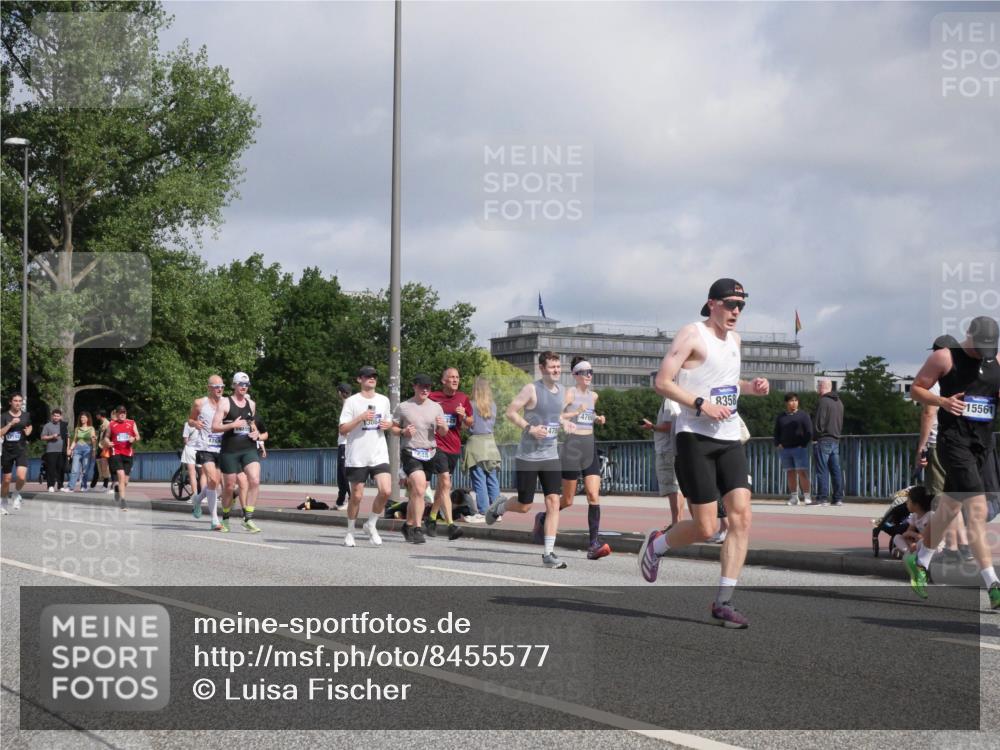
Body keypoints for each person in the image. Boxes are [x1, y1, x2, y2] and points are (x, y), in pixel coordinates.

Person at [638, 278, 770, 628]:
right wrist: (701, 404)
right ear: (712, 303)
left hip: (727, 436)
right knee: (706, 527)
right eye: (730, 304)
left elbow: (726, 382)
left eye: (741, 305)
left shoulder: (736, 341)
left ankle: (723, 602)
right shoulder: (691, 334)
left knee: (741, 517)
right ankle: (658, 545)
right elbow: (663, 382)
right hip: (694, 437)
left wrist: (750, 388)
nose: (736, 311)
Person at [906, 316, 1000, 609]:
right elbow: (917, 389)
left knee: (949, 507)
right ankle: (993, 584)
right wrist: (944, 402)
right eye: (979, 346)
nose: (983, 351)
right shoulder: (944, 357)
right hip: (953, 441)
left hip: (982, 443)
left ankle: (919, 560)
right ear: (968, 335)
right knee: (976, 507)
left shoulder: (996, 357)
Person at [486, 351, 570, 570]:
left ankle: (548, 553)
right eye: (552, 367)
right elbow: (510, 412)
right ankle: (500, 506)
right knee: (525, 506)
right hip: (528, 456)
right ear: (541, 368)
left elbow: (556, 415)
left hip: (551, 455)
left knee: (553, 501)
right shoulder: (532, 389)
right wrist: (529, 428)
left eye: (558, 366)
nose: (556, 370)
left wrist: (565, 423)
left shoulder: (563, 392)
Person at [917, 335, 972, 562]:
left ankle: (951, 546)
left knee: (942, 497)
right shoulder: (966, 375)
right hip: (964, 442)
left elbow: (929, 413)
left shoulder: (938, 378)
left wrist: (921, 446)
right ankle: (964, 544)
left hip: (940, 442)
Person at [558, 357, 610, 560]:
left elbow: (589, 414)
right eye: (584, 372)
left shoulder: (594, 396)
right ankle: (545, 517)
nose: (589, 375)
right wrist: (574, 413)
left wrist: (597, 418)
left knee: (593, 495)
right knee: (568, 500)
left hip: (589, 446)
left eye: (591, 372)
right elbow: (557, 416)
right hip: (572, 447)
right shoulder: (569, 393)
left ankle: (593, 545)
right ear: (575, 375)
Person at [338, 366, 392, 547]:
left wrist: (387, 425)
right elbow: (343, 429)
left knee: (386, 491)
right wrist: (360, 417)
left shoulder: (383, 400)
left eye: (374, 376)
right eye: (368, 376)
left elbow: (388, 421)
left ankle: (371, 524)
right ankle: (350, 532)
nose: (372, 378)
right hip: (357, 455)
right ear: (359, 379)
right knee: (357, 496)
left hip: (379, 453)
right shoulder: (352, 402)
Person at [391, 374, 449, 544]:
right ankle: (417, 528)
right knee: (419, 485)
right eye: (422, 386)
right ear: (414, 387)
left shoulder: (436, 407)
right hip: (411, 451)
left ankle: (408, 524)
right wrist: (403, 432)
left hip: (430, 452)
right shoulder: (403, 407)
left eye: (428, 387)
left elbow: (443, 432)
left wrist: (443, 426)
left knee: (418, 493)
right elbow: (393, 428)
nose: (425, 390)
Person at [212, 372, 263, 533]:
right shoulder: (225, 403)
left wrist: (257, 435)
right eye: (241, 384)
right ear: (234, 385)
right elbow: (215, 427)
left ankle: (248, 518)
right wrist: (232, 425)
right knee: (228, 486)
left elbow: (252, 424)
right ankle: (225, 519)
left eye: (246, 385)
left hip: (248, 448)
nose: (243, 387)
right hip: (230, 450)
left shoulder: (251, 404)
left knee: (254, 480)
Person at [427, 367, 471, 541]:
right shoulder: (432, 398)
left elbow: (469, 424)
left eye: (457, 377)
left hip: (454, 447)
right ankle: (450, 524)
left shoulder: (462, 398)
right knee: (445, 481)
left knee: (443, 487)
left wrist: (464, 416)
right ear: (443, 380)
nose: (455, 380)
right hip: (437, 446)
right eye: (451, 377)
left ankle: (431, 518)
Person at [188, 375, 226, 529]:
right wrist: (195, 423)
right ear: (209, 388)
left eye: (222, 386)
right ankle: (214, 520)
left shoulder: (226, 403)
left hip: (221, 448)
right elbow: (190, 420)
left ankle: (197, 499)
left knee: (214, 482)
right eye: (216, 386)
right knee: (214, 480)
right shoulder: (200, 403)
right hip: (204, 447)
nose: (220, 389)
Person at [462, 376, 501, 523]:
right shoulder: (493, 406)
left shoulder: (471, 405)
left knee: (479, 480)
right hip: (490, 443)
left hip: (476, 444)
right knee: (492, 479)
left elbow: (467, 425)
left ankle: (484, 511)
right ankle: (497, 512)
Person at [642, 397, 685, 529]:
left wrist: (652, 426)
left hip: (666, 449)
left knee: (671, 488)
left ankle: (676, 523)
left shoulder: (669, 401)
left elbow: (668, 426)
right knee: (678, 488)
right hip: (677, 448)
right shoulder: (681, 400)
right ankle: (679, 521)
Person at [774, 392, 813, 506]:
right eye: (791, 401)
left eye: (796, 400)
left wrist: (803, 444)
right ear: (786, 403)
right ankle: (794, 497)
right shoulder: (781, 417)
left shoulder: (803, 415)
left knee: (802, 472)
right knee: (790, 473)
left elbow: (809, 431)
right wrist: (778, 443)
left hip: (799, 448)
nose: (794, 403)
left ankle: (807, 496)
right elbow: (776, 432)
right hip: (785, 449)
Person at [813, 378, 844, 506]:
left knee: (822, 469)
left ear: (822, 387)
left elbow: (819, 422)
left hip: (824, 439)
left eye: (818, 386)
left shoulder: (823, 401)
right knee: (835, 470)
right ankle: (838, 498)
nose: (817, 389)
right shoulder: (839, 402)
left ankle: (822, 497)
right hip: (835, 439)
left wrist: (815, 437)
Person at [1, 393, 33, 512]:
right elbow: (0, 433)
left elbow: (29, 426)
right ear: (10, 402)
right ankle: (3, 501)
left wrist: (29, 431)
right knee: (7, 480)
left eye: (20, 401)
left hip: (21, 449)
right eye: (15, 401)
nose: (18, 403)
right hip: (7, 451)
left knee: (21, 476)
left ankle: (16, 494)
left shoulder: (26, 415)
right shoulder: (3, 416)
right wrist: (10, 424)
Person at [108, 405, 140, 511]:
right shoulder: (112, 424)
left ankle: (117, 489)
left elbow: (138, 436)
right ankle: (123, 501)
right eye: (120, 412)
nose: (122, 414)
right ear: (116, 414)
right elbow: (106, 437)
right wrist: (108, 442)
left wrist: (133, 438)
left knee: (125, 481)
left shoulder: (131, 423)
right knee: (121, 476)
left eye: (124, 412)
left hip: (128, 454)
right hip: (115, 452)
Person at [892, 485, 933, 558]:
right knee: (897, 537)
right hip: (920, 542)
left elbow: (925, 538)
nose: (906, 503)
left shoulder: (929, 516)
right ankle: (910, 552)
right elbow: (906, 535)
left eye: (908, 501)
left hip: (931, 544)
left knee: (921, 542)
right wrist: (911, 543)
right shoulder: (915, 516)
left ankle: (909, 553)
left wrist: (911, 534)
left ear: (916, 504)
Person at [67, 411, 96, 492]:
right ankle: (70, 487)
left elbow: (93, 440)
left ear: (87, 419)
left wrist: (93, 450)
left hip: (87, 450)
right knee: (74, 469)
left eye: (84, 417)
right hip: (77, 450)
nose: (82, 419)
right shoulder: (77, 428)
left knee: (85, 470)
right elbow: (75, 440)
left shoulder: (91, 428)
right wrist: (70, 449)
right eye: (81, 417)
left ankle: (84, 486)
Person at [40, 409, 68, 493]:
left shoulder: (63, 425)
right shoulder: (47, 425)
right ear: (52, 416)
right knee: (51, 469)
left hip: (62, 450)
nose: (56, 417)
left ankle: (60, 486)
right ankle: (50, 485)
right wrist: (52, 436)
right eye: (55, 416)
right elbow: (42, 437)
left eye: (58, 416)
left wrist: (68, 448)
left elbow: (67, 437)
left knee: (61, 468)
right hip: (51, 451)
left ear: (61, 417)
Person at [335, 383, 352, 509]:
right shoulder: (347, 404)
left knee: (344, 473)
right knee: (340, 474)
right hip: (342, 443)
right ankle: (340, 501)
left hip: (346, 444)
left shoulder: (349, 405)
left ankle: (351, 499)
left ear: (340, 392)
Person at [90, 409, 113, 493]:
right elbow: (101, 436)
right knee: (98, 467)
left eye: (97, 414)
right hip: (100, 447)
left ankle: (105, 485)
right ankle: (94, 485)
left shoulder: (107, 424)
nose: (96, 416)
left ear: (100, 415)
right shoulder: (103, 424)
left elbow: (107, 436)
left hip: (104, 448)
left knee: (104, 467)